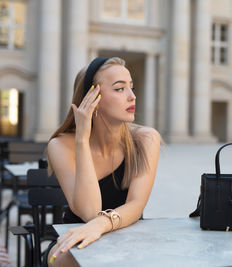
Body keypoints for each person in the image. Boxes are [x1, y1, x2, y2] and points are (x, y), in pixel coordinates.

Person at [45, 57, 161, 266]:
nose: (132, 97)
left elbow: (136, 204)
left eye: (131, 88)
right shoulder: (61, 145)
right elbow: (90, 211)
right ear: (92, 98)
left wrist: (101, 224)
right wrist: (82, 138)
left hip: (127, 237)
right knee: (60, 259)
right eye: (119, 89)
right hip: (79, 237)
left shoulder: (146, 139)